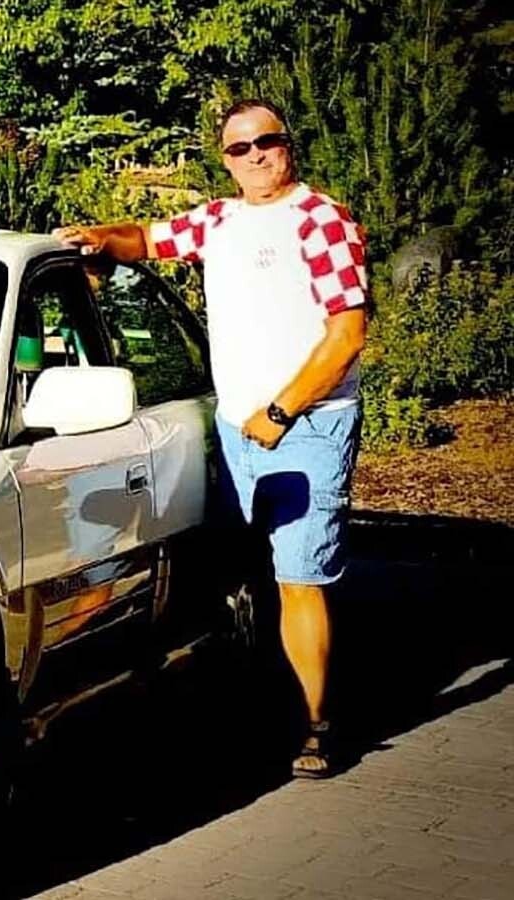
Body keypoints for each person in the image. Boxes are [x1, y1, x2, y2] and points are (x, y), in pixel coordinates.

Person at [54, 98, 369, 779]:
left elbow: (348, 333)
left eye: (266, 142)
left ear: (288, 145)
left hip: (307, 424)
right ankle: (256, 698)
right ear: (225, 159)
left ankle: (317, 725)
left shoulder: (320, 219)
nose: (255, 156)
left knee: (299, 576)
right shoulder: (219, 221)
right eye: (239, 148)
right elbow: (146, 239)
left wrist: (281, 411)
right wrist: (95, 239)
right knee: (247, 568)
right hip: (235, 428)